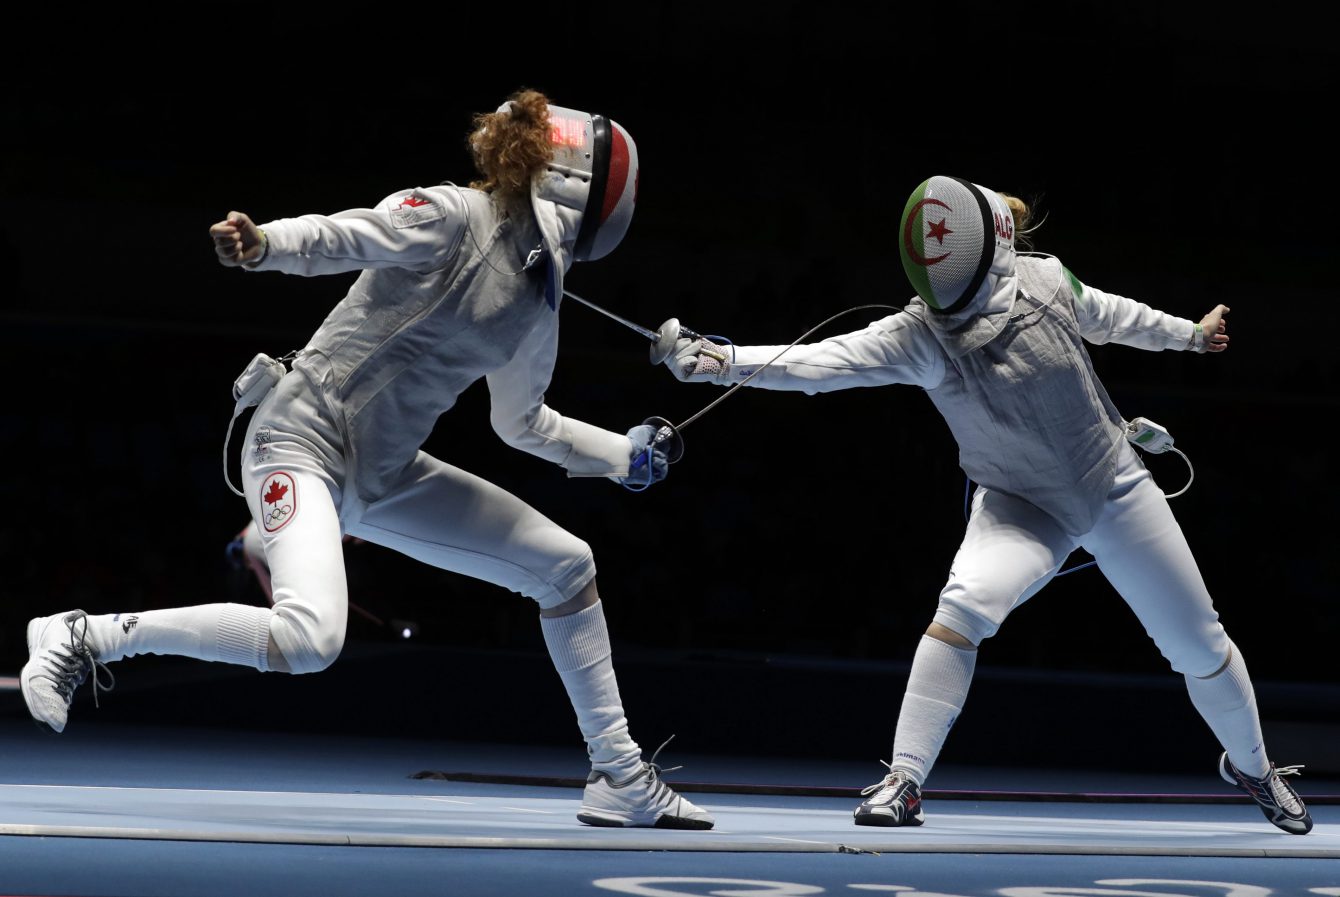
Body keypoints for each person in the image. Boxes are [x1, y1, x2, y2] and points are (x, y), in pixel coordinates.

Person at [21, 89, 714, 831]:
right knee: (311, 638)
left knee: (568, 567)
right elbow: (351, 234)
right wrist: (267, 245)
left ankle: (617, 775)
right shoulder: (452, 215)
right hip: (297, 440)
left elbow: (524, 422)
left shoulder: (538, 298)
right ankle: (82, 633)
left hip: (384, 474)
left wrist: (624, 456)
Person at [662, 175, 1311, 835]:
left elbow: (1116, 317)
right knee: (963, 608)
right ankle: (904, 780)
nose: (947, 311)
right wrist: (724, 357)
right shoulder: (922, 332)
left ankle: (1253, 765)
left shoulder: (1050, 280)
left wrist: (1191, 336)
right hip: (1020, 502)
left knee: (1198, 643)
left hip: (1114, 483)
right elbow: (822, 365)